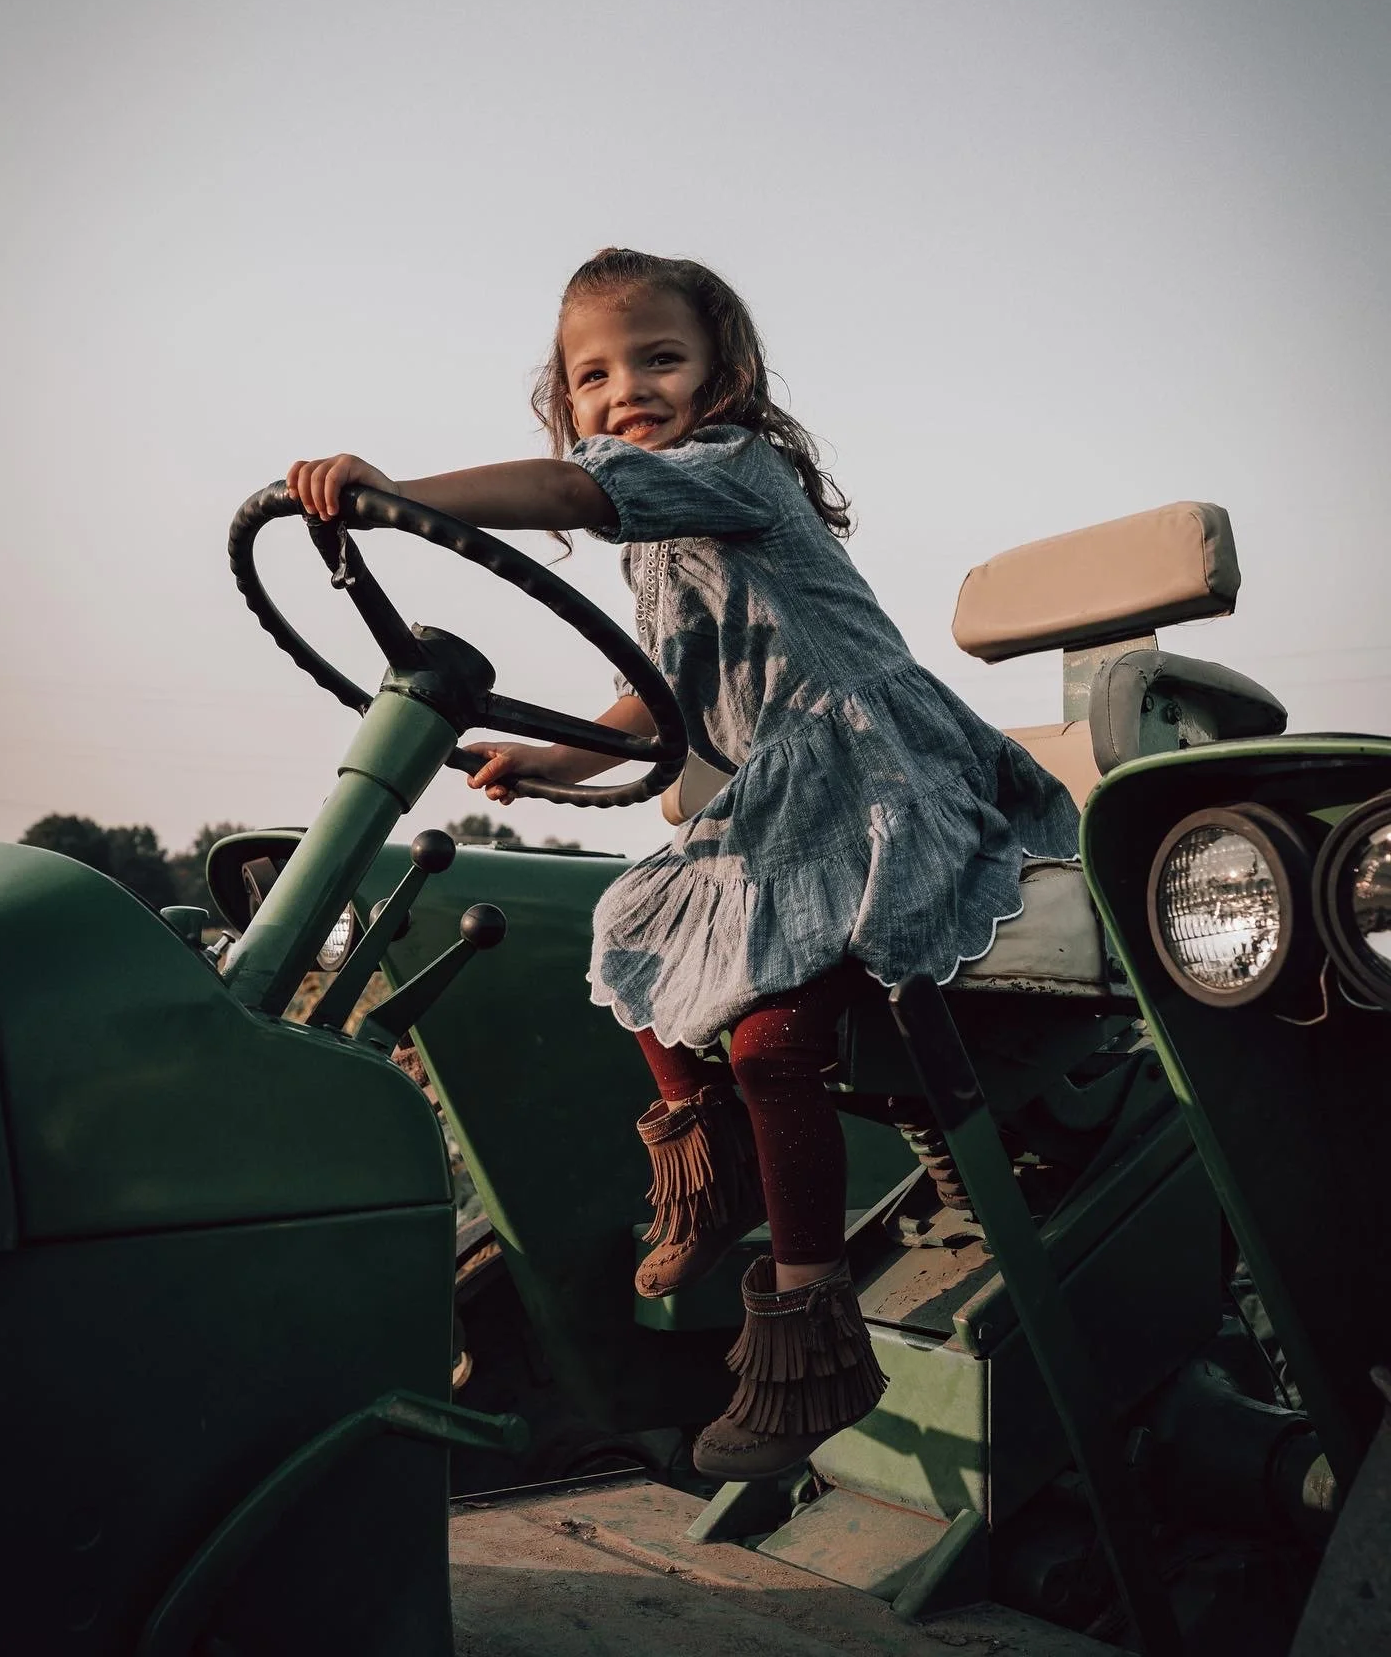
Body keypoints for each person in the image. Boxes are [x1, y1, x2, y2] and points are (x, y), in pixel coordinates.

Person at [286, 247, 1081, 1479]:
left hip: (876, 774)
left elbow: (576, 489)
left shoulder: (730, 471)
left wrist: (400, 494)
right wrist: (549, 762)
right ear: (566, 391)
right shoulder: (654, 546)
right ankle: (701, 1175)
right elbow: (660, 702)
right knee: (634, 935)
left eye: (659, 359)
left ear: (724, 375)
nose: (626, 390)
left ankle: (810, 1335)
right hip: (776, 798)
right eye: (593, 374)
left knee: (771, 1040)